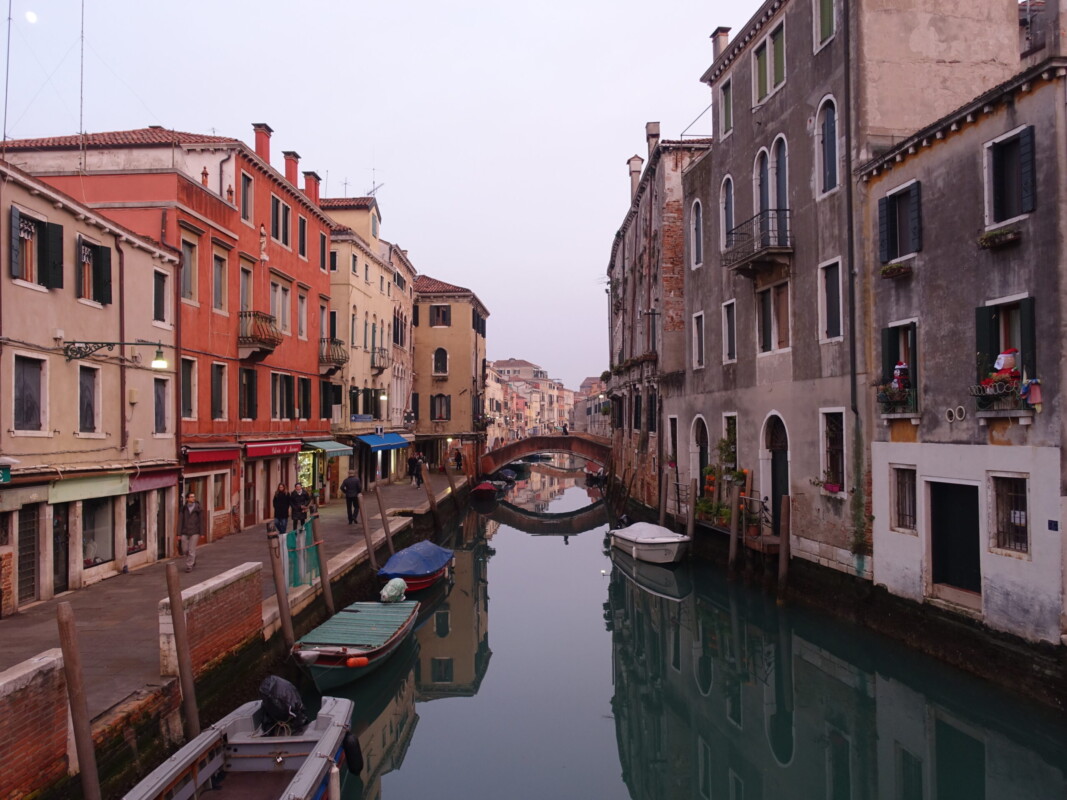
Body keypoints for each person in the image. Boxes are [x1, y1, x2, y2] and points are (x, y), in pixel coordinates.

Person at [178, 491, 204, 573]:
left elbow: (201, 521)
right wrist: (178, 534)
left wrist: (202, 532)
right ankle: (193, 558)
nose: (193, 498)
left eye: (194, 496)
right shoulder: (184, 508)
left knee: (191, 549)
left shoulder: (198, 508)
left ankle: (189, 565)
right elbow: (180, 521)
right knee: (185, 550)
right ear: (187, 499)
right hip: (184, 531)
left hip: (195, 531)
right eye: (191, 497)